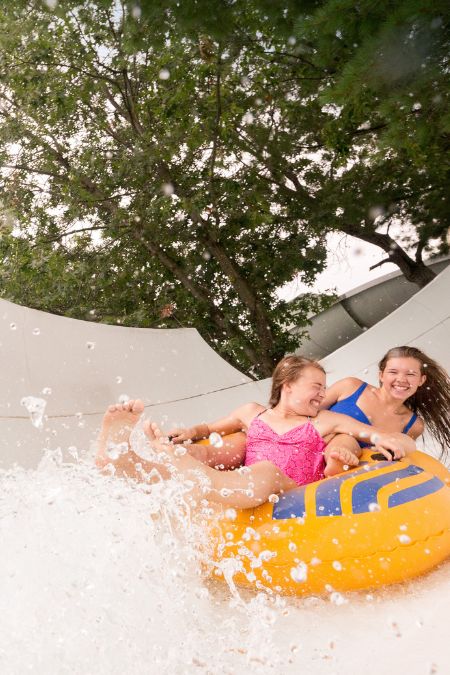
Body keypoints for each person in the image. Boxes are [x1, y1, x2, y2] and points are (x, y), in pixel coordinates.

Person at [96, 356, 417, 509]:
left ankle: (188, 471)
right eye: (316, 387)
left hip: (292, 489)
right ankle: (121, 460)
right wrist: (189, 434)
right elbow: (211, 428)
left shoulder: (324, 421)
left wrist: (383, 438)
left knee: (267, 471)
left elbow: (363, 431)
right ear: (288, 386)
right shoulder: (252, 413)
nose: (323, 394)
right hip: (242, 482)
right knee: (207, 452)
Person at [322, 345, 450, 462]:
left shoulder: (413, 425)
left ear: (421, 380)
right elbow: (306, 412)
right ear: (381, 375)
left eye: (410, 374)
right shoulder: (350, 386)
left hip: (346, 479)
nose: (401, 379)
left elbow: (396, 460)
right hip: (309, 456)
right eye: (393, 372)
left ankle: (337, 461)